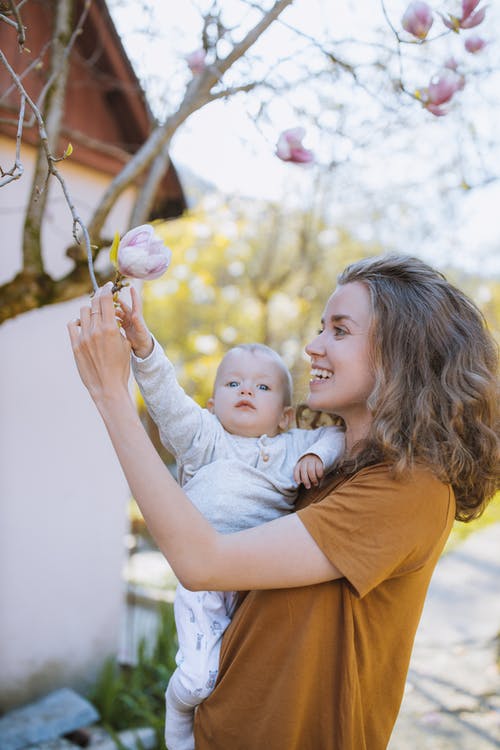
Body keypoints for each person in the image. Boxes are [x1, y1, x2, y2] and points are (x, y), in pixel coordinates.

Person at [68, 255, 499, 750]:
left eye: (339, 331)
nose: (313, 347)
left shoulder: (411, 488)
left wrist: (111, 395)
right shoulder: (314, 469)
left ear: (404, 354)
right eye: (321, 328)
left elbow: (202, 562)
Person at [116, 289, 345, 750]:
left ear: (283, 416)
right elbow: (165, 396)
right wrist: (143, 346)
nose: (246, 390)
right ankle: (180, 715)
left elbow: (339, 436)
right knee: (199, 680)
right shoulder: (203, 440)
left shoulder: (290, 447)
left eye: (262, 387)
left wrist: (317, 453)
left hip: (258, 585)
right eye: (233, 384)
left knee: (240, 676)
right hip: (203, 582)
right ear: (211, 404)